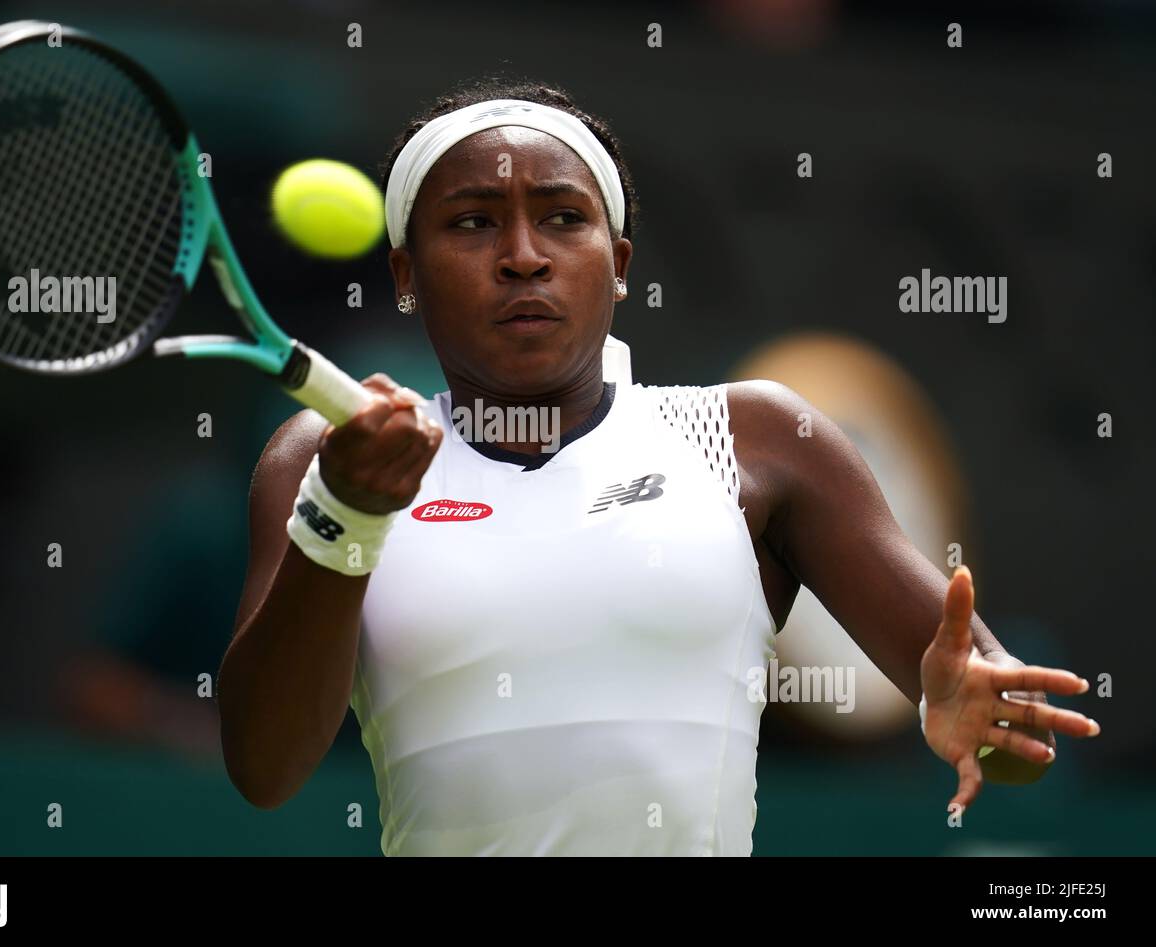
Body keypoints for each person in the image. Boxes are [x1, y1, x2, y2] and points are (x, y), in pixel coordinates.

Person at [216, 79, 1100, 856]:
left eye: (564, 217)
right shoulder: (318, 460)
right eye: (473, 221)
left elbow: (1006, 739)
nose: (524, 254)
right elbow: (265, 768)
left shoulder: (754, 439)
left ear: (621, 263)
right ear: (407, 273)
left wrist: (986, 721)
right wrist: (349, 513)